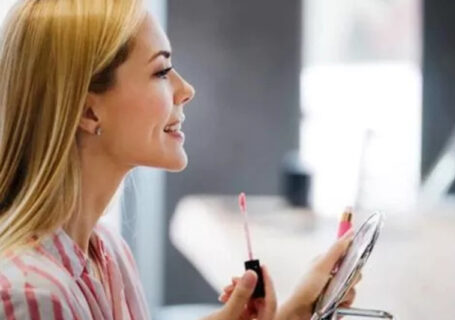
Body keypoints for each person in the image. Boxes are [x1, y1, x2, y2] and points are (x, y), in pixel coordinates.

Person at [0, 1, 358, 319]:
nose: (185, 90)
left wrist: (295, 313)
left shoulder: (107, 254)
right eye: (160, 72)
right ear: (88, 110)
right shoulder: (33, 295)